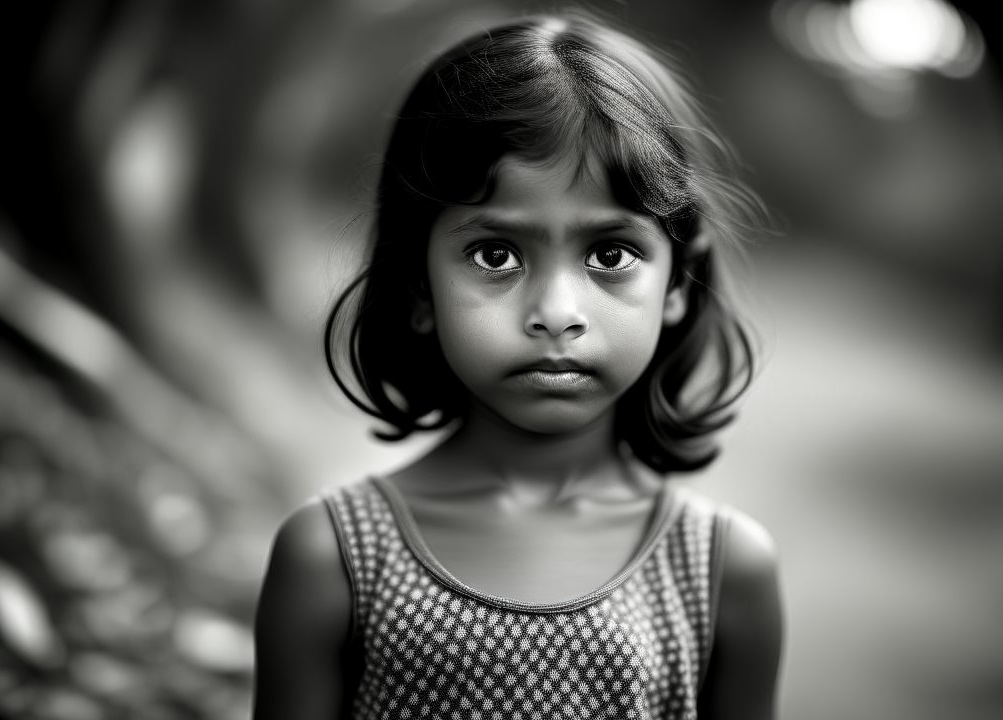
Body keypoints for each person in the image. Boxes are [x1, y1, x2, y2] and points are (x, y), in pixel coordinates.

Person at [253, 11, 783, 720]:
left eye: (611, 255)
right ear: (418, 286)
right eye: (496, 255)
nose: (557, 311)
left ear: (678, 286)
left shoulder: (721, 570)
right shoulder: (335, 560)